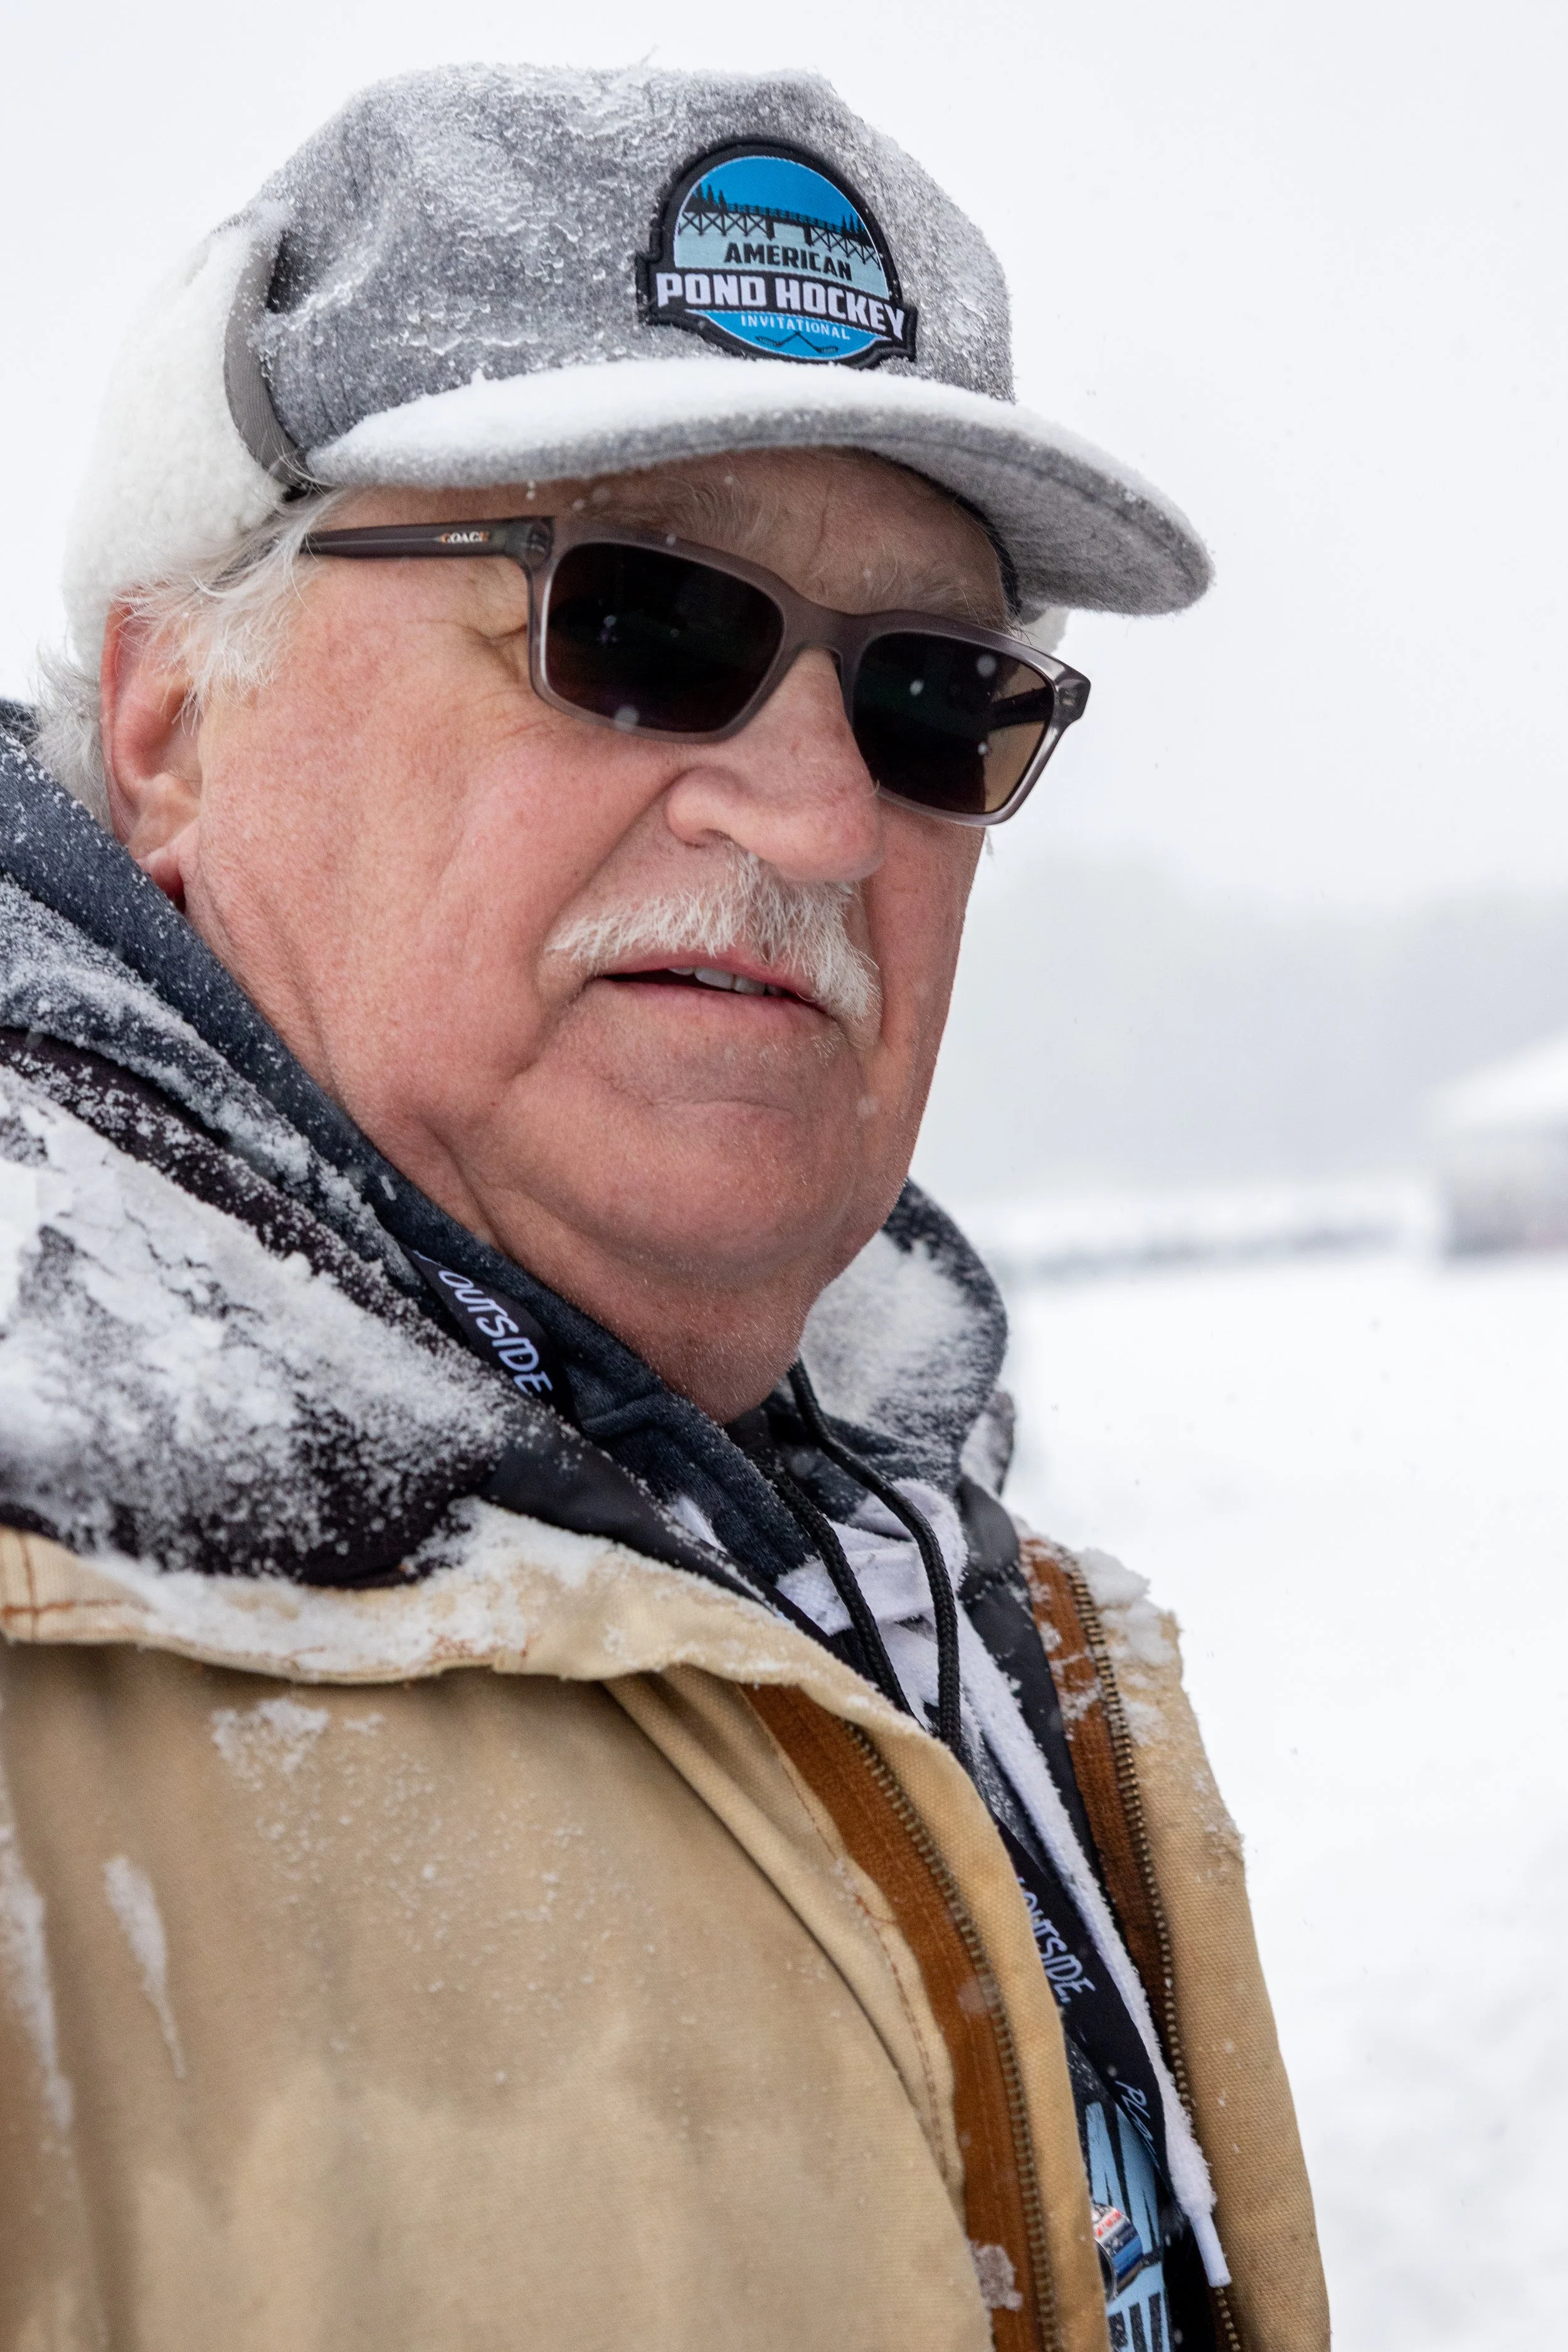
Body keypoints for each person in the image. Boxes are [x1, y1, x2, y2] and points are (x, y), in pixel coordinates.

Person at [0, 63, 1327, 2352]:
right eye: (633, 623)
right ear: (164, 721)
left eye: (933, 696)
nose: (818, 817)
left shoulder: (969, 1623)